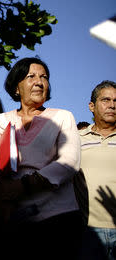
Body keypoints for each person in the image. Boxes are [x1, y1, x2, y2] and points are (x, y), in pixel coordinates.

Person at [0, 57, 82, 260]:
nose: (39, 82)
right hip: (11, 216)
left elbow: (69, 161)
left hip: (57, 216)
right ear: (16, 87)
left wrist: (24, 185)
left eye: (44, 77)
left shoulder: (63, 117)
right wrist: (3, 192)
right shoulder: (0, 121)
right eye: (31, 76)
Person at [75, 80, 116, 260]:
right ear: (92, 106)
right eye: (106, 100)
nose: (112, 105)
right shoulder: (75, 139)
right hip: (86, 231)